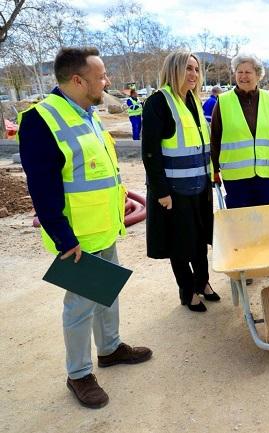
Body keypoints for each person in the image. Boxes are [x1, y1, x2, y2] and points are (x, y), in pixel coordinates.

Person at [18, 47, 152, 409]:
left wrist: (119, 198)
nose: (106, 81)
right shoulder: (41, 120)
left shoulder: (88, 115)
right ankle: (78, 374)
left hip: (104, 226)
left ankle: (109, 349)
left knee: (106, 292)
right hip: (76, 237)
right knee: (79, 306)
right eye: (101, 76)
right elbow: (42, 189)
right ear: (77, 80)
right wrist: (64, 239)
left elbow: (98, 170)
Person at [142, 50, 220, 312]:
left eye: (196, 69)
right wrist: (160, 191)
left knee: (199, 239)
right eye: (188, 68)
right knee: (180, 243)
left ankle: (204, 282)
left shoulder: (193, 101)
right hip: (174, 191)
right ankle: (188, 292)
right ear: (174, 69)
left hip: (199, 186)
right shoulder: (158, 102)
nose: (194, 74)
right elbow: (150, 152)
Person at [210, 53, 269, 209]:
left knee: (263, 223)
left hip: (265, 176)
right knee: (239, 224)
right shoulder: (223, 102)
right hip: (235, 178)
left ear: (258, 75)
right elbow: (214, 139)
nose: (243, 76)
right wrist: (213, 170)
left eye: (248, 72)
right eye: (239, 72)